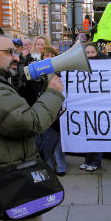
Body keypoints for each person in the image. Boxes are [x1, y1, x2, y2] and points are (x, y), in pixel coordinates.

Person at [0, 34, 65, 221]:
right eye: (10, 52)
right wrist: (52, 94)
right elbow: (29, 123)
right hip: (11, 177)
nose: (17, 57)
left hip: (10, 173)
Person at [34, 46, 67, 177]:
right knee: (45, 142)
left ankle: (61, 166)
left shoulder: (63, 74)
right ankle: (48, 166)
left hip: (59, 112)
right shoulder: (37, 76)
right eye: (45, 56)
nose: (48, 58)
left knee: (58, 142)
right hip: (44, 111)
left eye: (51, 56)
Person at [78, 42, 108, 172]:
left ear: (97, 53)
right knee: (87, 134)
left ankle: (96, 161)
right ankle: (87, 160)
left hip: (99, 106)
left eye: (92, 52)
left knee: (97, 134)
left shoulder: (104, 66)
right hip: (86, 106)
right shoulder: (79, 68)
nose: (90, 55)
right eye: (87, 53)